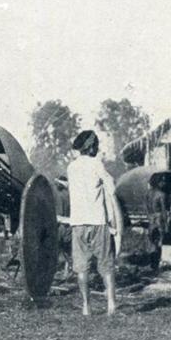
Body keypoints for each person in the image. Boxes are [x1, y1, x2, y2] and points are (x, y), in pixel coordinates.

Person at [67, 130, 120, 316]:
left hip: (78, 223)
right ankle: (111, 305)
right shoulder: (96, 164)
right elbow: (111, 187)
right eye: (96, 145)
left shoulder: (71, 168)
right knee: (106, 264)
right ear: (90, 147)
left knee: (82, 266)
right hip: (98, 221)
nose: (97, 148)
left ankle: (86, 306)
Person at [146, 173, 171, 272]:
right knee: (160, 242)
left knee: (152, 242)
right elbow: (164, 211)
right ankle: (156, 265)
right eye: (162, 181)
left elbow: (147, 208)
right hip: (159, 218)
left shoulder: (148, 193)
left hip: (151, 218)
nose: (164, 183)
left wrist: (149, 217)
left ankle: (152, 264)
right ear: (158, 182)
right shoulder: (162, 194)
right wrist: (166, 225)